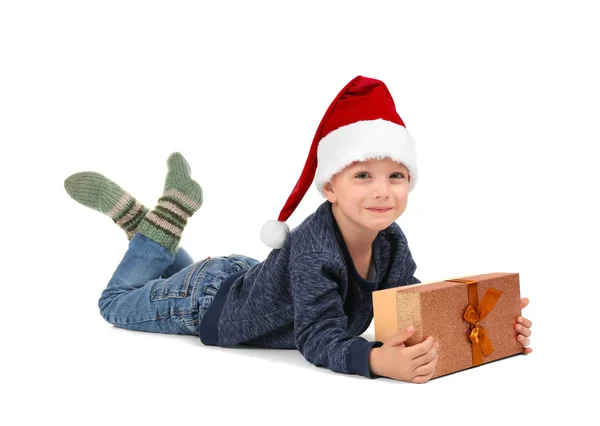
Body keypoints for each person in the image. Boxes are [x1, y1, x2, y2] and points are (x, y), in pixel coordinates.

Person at [64, 75, 532, 383]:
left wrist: (482, 324)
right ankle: (161, 219)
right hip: (208, 303)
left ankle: (146, 230)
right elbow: (315, 336)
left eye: (396, 176)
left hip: (245, 276)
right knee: (114, 305)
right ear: (330, 187)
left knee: (160, 281)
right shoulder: (316, 248)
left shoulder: (390, 241)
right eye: (362, 176)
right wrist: (373, 360)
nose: (382, 191)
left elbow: (405, 304)